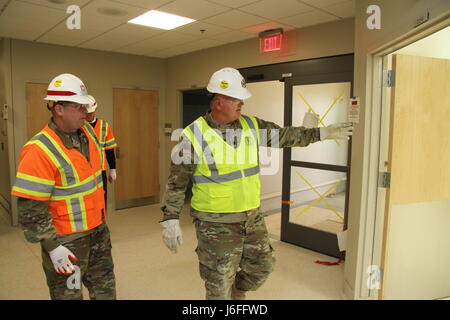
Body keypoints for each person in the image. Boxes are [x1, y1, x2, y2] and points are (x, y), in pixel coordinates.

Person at [160, 67, 353, 300]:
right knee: (217, 284)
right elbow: (176, 183)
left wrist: (321, 133)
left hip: (252, 218)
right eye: (235, 99)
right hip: (215, 224)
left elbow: (284, 136)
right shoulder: (193, 135)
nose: (242, 104)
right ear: (218, 102)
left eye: (242, 99)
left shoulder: (251, 126)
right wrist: (170, 218)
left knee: (263, 266)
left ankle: (238, 290)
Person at [11, 73, 116, 300]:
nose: (86, 112)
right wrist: (52, 246)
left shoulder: (88, 132)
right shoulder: (39, 150)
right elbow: (31, 210)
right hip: (66, 243)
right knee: (70, 295)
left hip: (98, 232)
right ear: (59, 109)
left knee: (106, 292)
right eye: (79, 107)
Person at [85, 95, 118, 208]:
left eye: (90, 112)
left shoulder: (104, 126)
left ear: (95, 110)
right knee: (88, 199)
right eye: (86, 112)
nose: (88, 115)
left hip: (100, 170)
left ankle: (102, 221)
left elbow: (109, 149)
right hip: (84, 171)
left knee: (102, 197)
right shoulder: (78, 126)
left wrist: (113, 169)